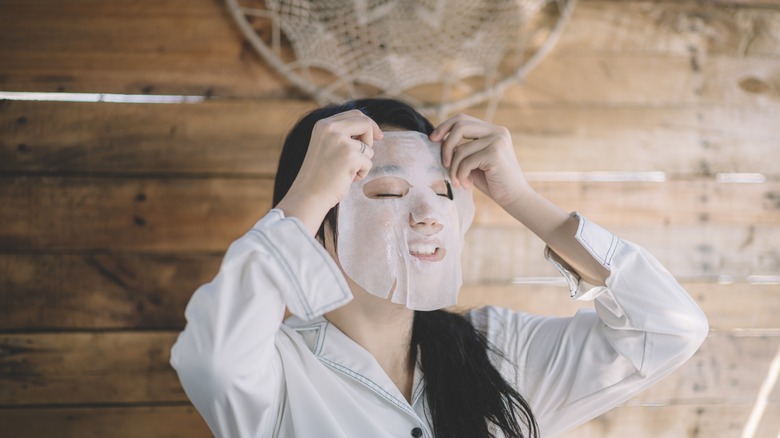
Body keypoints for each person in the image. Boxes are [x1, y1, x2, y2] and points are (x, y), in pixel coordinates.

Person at [170, 98, 709, 438]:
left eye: (441, 192)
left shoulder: (501, 348)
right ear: (317, 222)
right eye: (386, 191)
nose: (428, 215)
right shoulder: (276, 369)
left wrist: (520, 198)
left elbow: (669, 329)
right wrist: (305, 195)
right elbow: (212, 363)